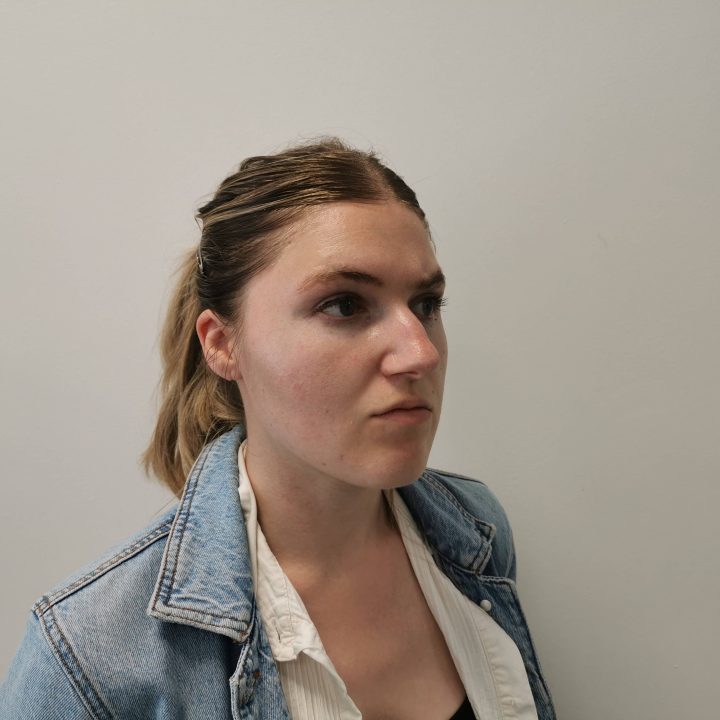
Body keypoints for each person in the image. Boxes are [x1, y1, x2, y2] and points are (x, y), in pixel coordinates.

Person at [0, 138, 555, 719]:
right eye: (344, 305)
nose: (420, 353)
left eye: (426, 304)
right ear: (223, 344)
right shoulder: (90, 656)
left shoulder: (474, 530)